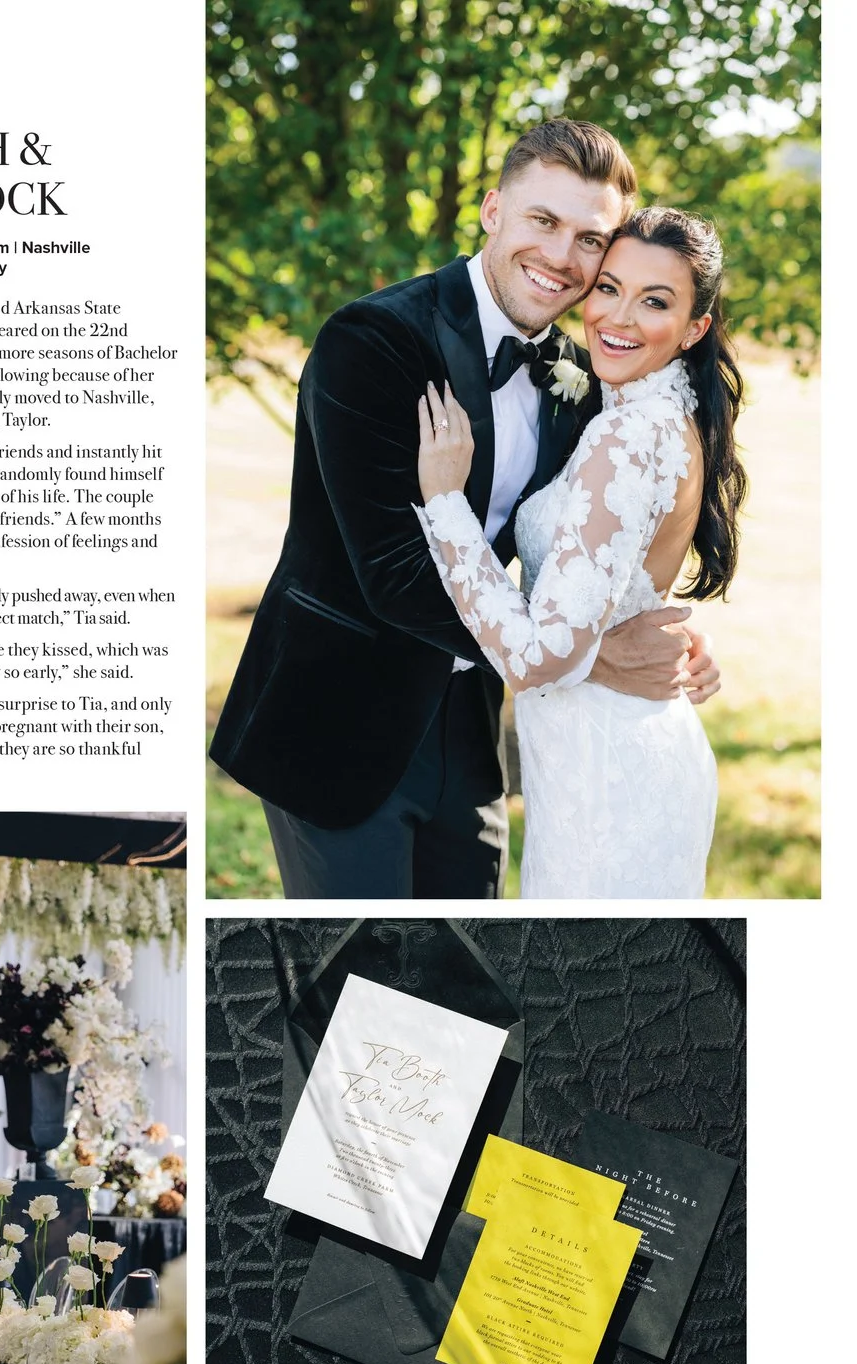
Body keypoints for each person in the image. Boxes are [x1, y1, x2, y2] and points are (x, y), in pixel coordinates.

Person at [209, 120, 718, 898]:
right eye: (543, 221)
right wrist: (594, 656)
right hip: (342, 720)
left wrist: (652, 627)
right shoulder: (371, 340)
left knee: (467, 985)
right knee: (362, 984)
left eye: (591, 239)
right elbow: (389, 573)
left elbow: (600, 532)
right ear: (491, 210)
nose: (561, 257)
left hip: (475, 728)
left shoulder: (582, 374)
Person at [413, 207, 741, 897]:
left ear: (695, 327)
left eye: (655, 301)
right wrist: (640, 643)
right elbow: (614, 578)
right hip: (615, 755)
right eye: (608, 287)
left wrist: (447, 506)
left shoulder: (628, 436)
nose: (618, 318)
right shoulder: (654, 411)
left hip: (607, 778)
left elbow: (540, 659)